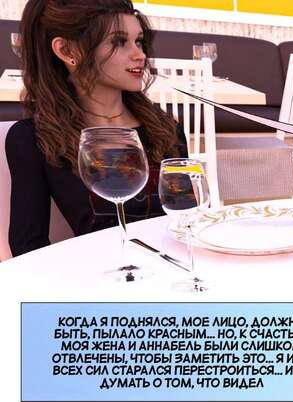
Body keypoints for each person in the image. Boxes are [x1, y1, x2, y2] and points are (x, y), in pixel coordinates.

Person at [7, 0, 187, 257]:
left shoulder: (165, 129)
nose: (140, 55)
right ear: (67, 50)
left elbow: (186, 221)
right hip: (96, 272)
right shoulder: (33, 139)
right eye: (119, 42)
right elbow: (28, 246)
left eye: (138, 41)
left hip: (173, 267)